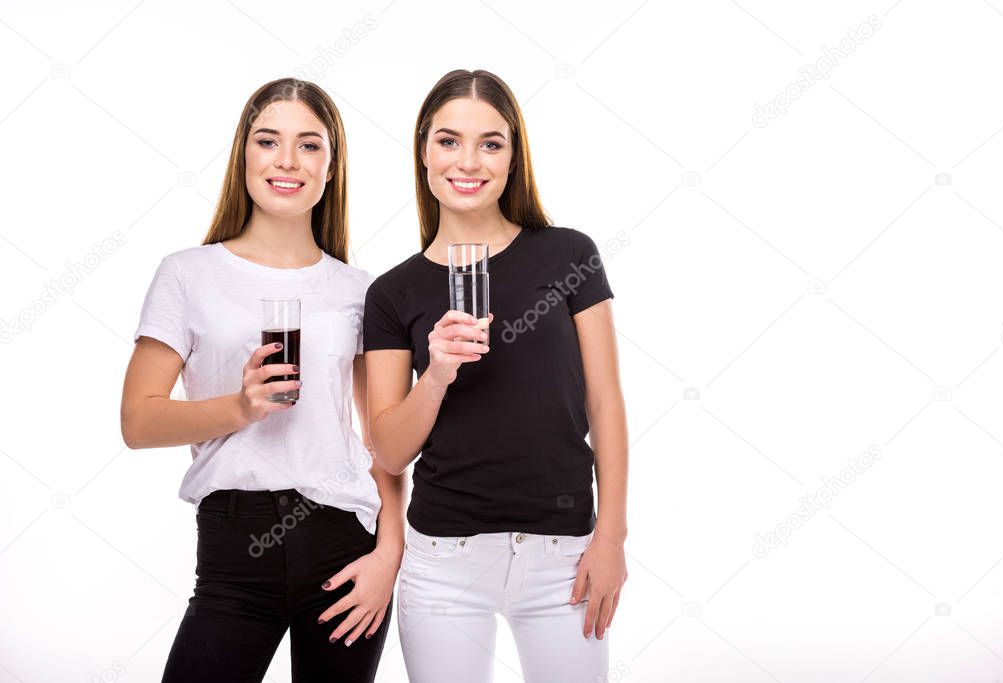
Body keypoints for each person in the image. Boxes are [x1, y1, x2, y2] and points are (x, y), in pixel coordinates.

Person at [120, 78, 402, 682]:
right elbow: (138, 422)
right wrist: (241, 407)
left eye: (309, 145)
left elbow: (385, 440)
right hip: (234, 547)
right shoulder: (187, 274)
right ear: (243, 156)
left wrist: (389, 554)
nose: (287, 161)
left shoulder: (359, 291)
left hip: (345, 546)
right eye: (268, 140)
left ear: (332, 166)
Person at [362, 69, 629, 683]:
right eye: (449, 141)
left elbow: (606, 402)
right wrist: (434, 375)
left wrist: (610, 537)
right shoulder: (392, 293)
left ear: (513, 156)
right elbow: (390, 450)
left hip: (564, 555)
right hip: (443, 562)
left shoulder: (568, 254)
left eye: (491, 143)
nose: (469, 161)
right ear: (423, 152)